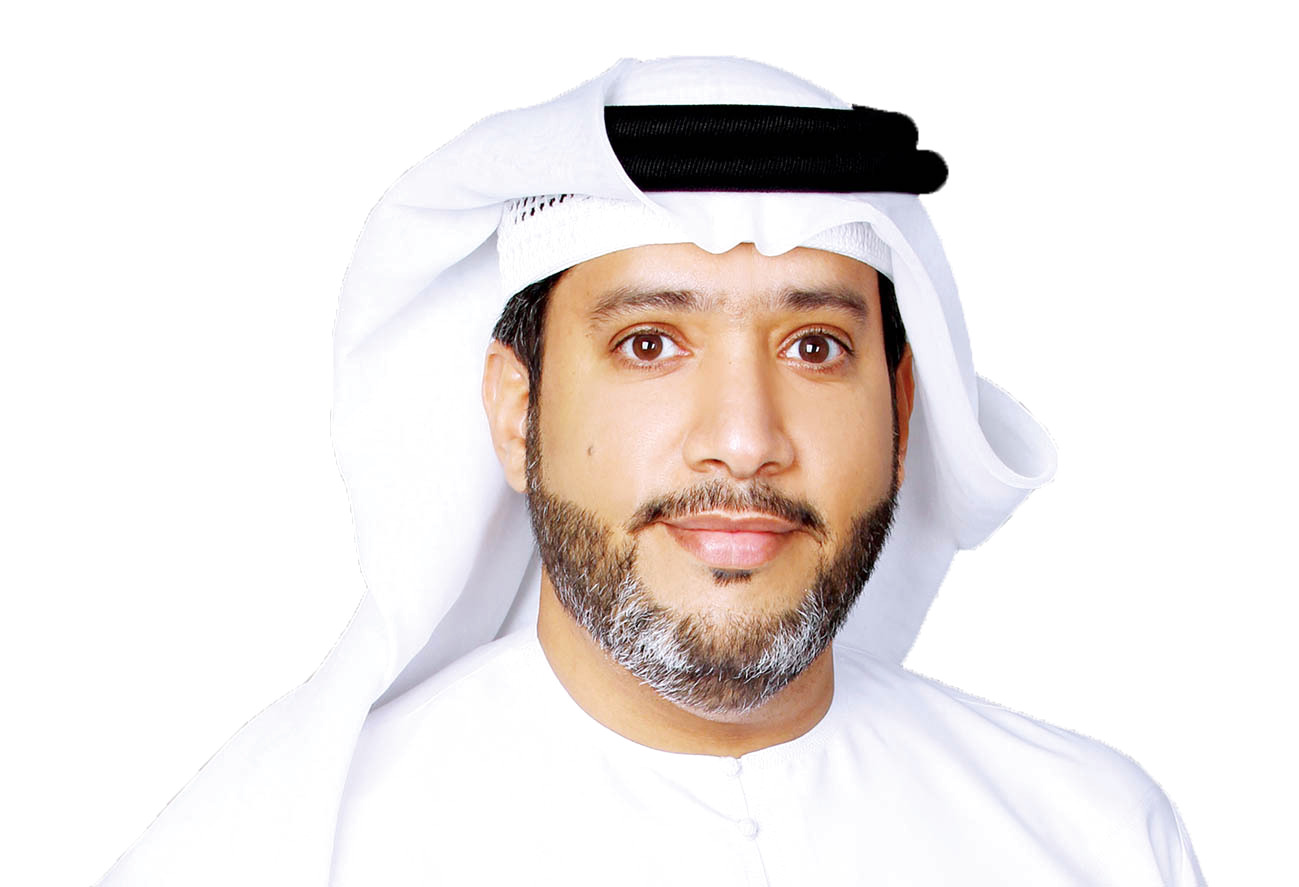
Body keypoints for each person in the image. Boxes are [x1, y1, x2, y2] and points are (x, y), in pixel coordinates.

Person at [98, 57, 1205, 886]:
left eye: (814, 346)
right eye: (648, 343)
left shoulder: (1095, 838)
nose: (743, 437)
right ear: (517, 410)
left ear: (903, 411)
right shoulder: (295, 856)